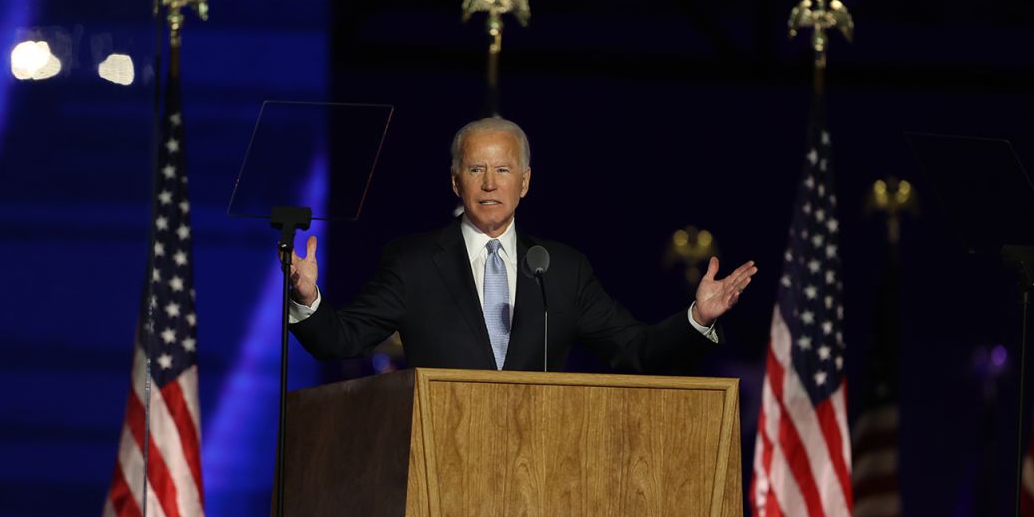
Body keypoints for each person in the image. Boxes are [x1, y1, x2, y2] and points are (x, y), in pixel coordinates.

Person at [288, 117, 757, 373]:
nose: (490, 184)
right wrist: (307, 299)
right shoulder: (413, 263)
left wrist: (697, 320)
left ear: (526, 182)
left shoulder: (561, 269)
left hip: (541, 476)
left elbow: (634, 349)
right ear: (456, 183)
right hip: (440, 470)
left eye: (504, 171)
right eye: (476, 170)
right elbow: (342, 339)